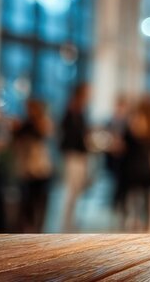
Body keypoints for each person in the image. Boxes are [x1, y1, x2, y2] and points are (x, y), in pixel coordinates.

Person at [119, 98, 150, 231]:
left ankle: (138, 222)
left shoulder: (138, 121)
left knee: (138, 197)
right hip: (140, 165)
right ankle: (141, 223)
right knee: (143, 198)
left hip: (137, 165)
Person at [13, 99, 53, 233]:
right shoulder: (25, 125)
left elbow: (43, 134)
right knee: (26, 203)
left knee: (38, 203)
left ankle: (36, 230)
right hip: (28, 169)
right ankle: (26, 229)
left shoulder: (41, 123)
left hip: (40, 169)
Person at [59, 84, 90, 232]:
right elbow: (69, 135)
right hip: (72, 155)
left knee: (77, 189)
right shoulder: (71, 112)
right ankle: (66, 222)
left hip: (80, 155)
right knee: (71, 189)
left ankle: (71, 220)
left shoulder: (81, 113)